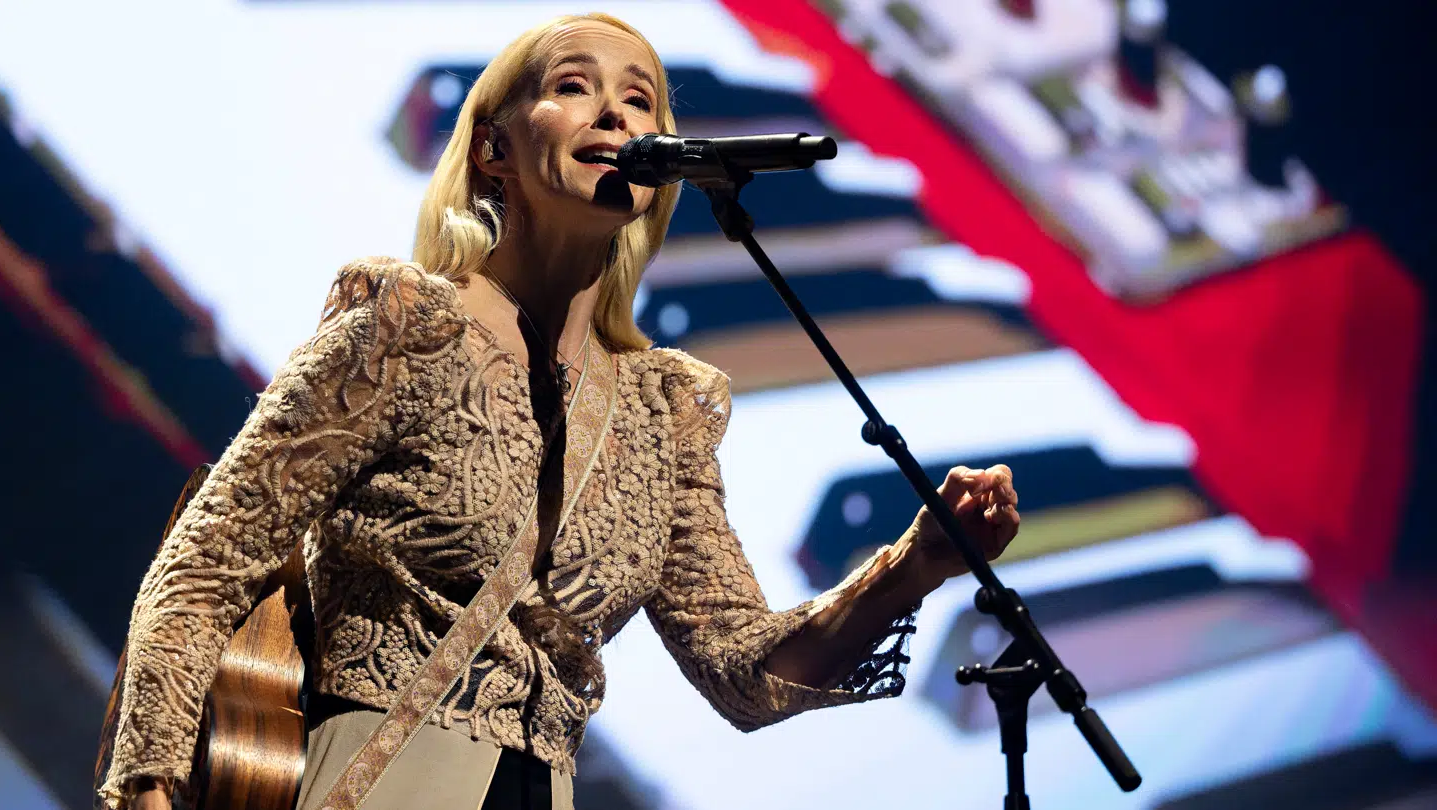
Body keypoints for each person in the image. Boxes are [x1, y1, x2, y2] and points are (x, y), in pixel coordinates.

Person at [100, 12, 1020, 810]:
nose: (615, 113)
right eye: (574, 88)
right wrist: (150, 783)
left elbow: (748, 675)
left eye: (641, 100)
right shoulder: (402, 329)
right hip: (375, 776)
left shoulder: (666, 412)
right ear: (494, 148)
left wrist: (912, 567)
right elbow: (205, 567)